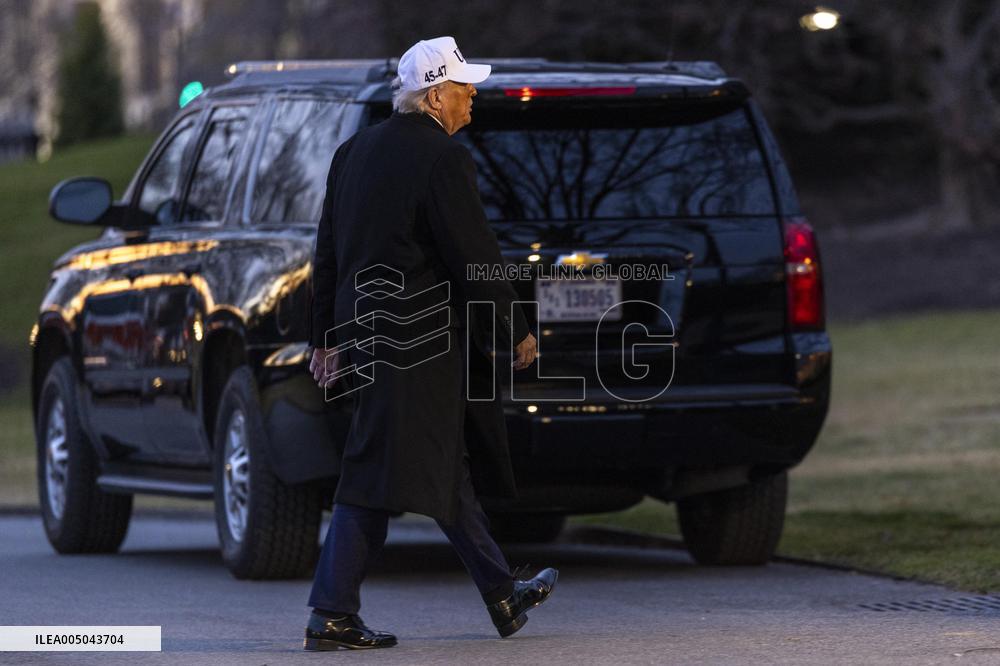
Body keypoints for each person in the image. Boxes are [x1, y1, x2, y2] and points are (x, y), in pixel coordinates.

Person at [302, 36, 558, 651]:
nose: (473, 97)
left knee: (437, 467)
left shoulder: (352, 153)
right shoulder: (443, 160)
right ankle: (330, 613)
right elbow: (474, 256)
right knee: (378, 474)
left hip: (367, 338)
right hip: (421, 346)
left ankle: (503, 596)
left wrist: (324, 339)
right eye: (465, 87)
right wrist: (516, 327)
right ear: (436, 94)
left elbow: (329, 254)